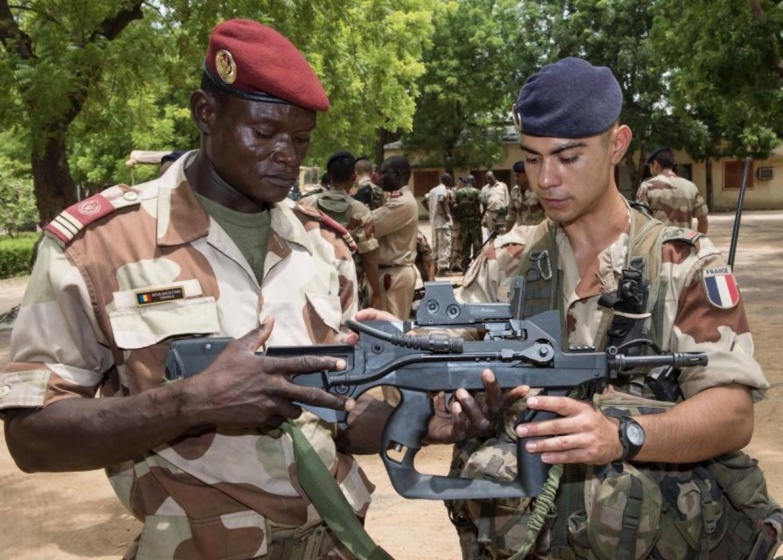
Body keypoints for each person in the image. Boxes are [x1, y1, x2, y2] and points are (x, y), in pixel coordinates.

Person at [0, 19, 491, 560]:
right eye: (264, 133)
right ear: (206, 113)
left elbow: (336, 420)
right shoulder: (101, 245)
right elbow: (31, 436)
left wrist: (417, 421)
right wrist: (189, 404)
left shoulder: (322, 247)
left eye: (300, 139)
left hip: (334, 541)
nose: (287, 154)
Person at [451, 57, 782, 559]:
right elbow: (447, 364)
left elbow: (732, 414)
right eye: (533, 158)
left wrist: (622, 434)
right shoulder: (507, 261)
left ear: (618, 145)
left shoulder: (680, 262)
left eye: (567, 157)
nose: (546, 179)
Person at [298, 150, 383, 310]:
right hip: (349, 287)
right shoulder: (361, 211)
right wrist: (377, 294)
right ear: (353, 178)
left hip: (312, 285)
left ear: (329, 177)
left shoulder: (305, 204)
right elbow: (369, 260)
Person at [370, 155, 419, 321]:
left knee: (391, 329)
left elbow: (367, 225)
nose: (379, 177)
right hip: (391, 272)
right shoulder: (397, 199)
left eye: (384, 173)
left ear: (397, 175)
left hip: (393, 274)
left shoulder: (402, 203)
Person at [636, 146, 709, 234]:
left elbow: (640, 221)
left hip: (658, 245)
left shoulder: (647, 186)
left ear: (655, 165)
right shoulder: (691, 187)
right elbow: (703, 221)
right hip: (684, 244)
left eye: (650, 167)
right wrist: (699, 241)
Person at [422, 172, 454, 276]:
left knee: (435, 247)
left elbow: (423, 200)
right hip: (443, 223)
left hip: (434, 223)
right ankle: (442, 269)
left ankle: (434, 268)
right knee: (445, 245)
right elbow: (441, 200)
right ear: (448, 181)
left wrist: (431, 211)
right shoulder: (443, 189)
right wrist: (445, 215)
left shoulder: (433, 190)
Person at [453, 174, 483, 272]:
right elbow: (485, 201)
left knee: (465, 243)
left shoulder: (459, 192)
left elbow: (453, 204)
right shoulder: (476, 191)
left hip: (464, 222)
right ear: (474, 182)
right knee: (477, 243)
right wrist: (482, 214)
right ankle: (477, 265)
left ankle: (465, 266)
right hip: (475, 221)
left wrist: (457, 215)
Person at [505, 160, 544, 230]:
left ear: (527, 174)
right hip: (522, 232)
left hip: (538, 231)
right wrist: (505, 235)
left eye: (518, 176)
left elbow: (550, 217)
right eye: (514, 176)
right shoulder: (514, 192)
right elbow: (511, 216)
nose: (515, 179)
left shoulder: (539, 191)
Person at [479, 170, 509, 238]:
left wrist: (507, 213)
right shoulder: (484, 189)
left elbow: (507, 200)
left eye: (490, 177)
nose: (489, 180)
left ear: (494, 176)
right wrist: (484, 217)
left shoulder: (503, 186)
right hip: (490, 214)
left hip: (501, 215)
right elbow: (483, 203)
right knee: (491, 235)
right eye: (487, 178)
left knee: (502, 234)